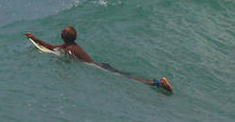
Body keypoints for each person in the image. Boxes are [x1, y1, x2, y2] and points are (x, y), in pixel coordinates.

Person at [25, 27, 173, 93]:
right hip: (101, 64)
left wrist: (34, 38)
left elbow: (51, 48)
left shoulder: (69, 49)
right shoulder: (71, 45)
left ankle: (158, 83)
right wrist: (35, 39)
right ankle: (158, 83)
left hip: (99, 67)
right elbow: (53, 47)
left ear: (63, 38)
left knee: (130, 78)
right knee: (127, 76)